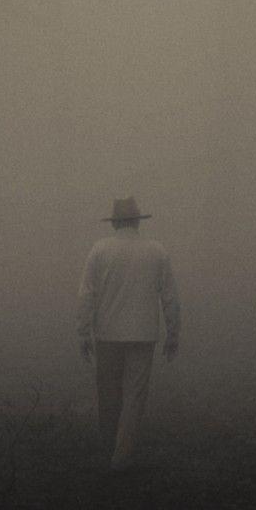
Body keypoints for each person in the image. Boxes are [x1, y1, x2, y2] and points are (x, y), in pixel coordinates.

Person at [76, 196, 179, 470]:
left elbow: (86, 294)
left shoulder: (99, 250)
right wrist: (173, 333)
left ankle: (108, 447)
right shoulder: (157, 251)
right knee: (135, 395)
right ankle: (121, 456)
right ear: (137, 221)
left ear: (114, 223)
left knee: (108, 393)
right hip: (143, 334)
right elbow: (169, 296)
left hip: (107, 333)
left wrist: (83, 332)